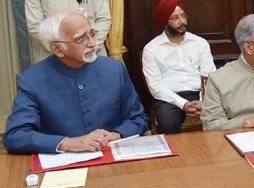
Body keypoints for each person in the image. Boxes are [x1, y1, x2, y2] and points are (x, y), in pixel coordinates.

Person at [4, 12, 148, 153]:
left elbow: (139, 118)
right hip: (62, 166)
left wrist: (116, 134)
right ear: (57, 49)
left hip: (111, 157)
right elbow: (16, 136)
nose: (92, 43)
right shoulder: (32, 79)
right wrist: (69, 143)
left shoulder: (114, 69)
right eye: (80, 39)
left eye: (92, 34)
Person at [142, 0, 216, 134]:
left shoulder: (200, 43)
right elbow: (156, 86)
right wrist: (184, 104)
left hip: (200, 94)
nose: (182, 21)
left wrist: (203, 102)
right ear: (165, 22)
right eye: (175, 18)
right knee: (167, 123)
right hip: (169, 98)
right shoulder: (151, 49)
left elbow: (209, 75)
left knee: (220, 115)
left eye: (183, 16)